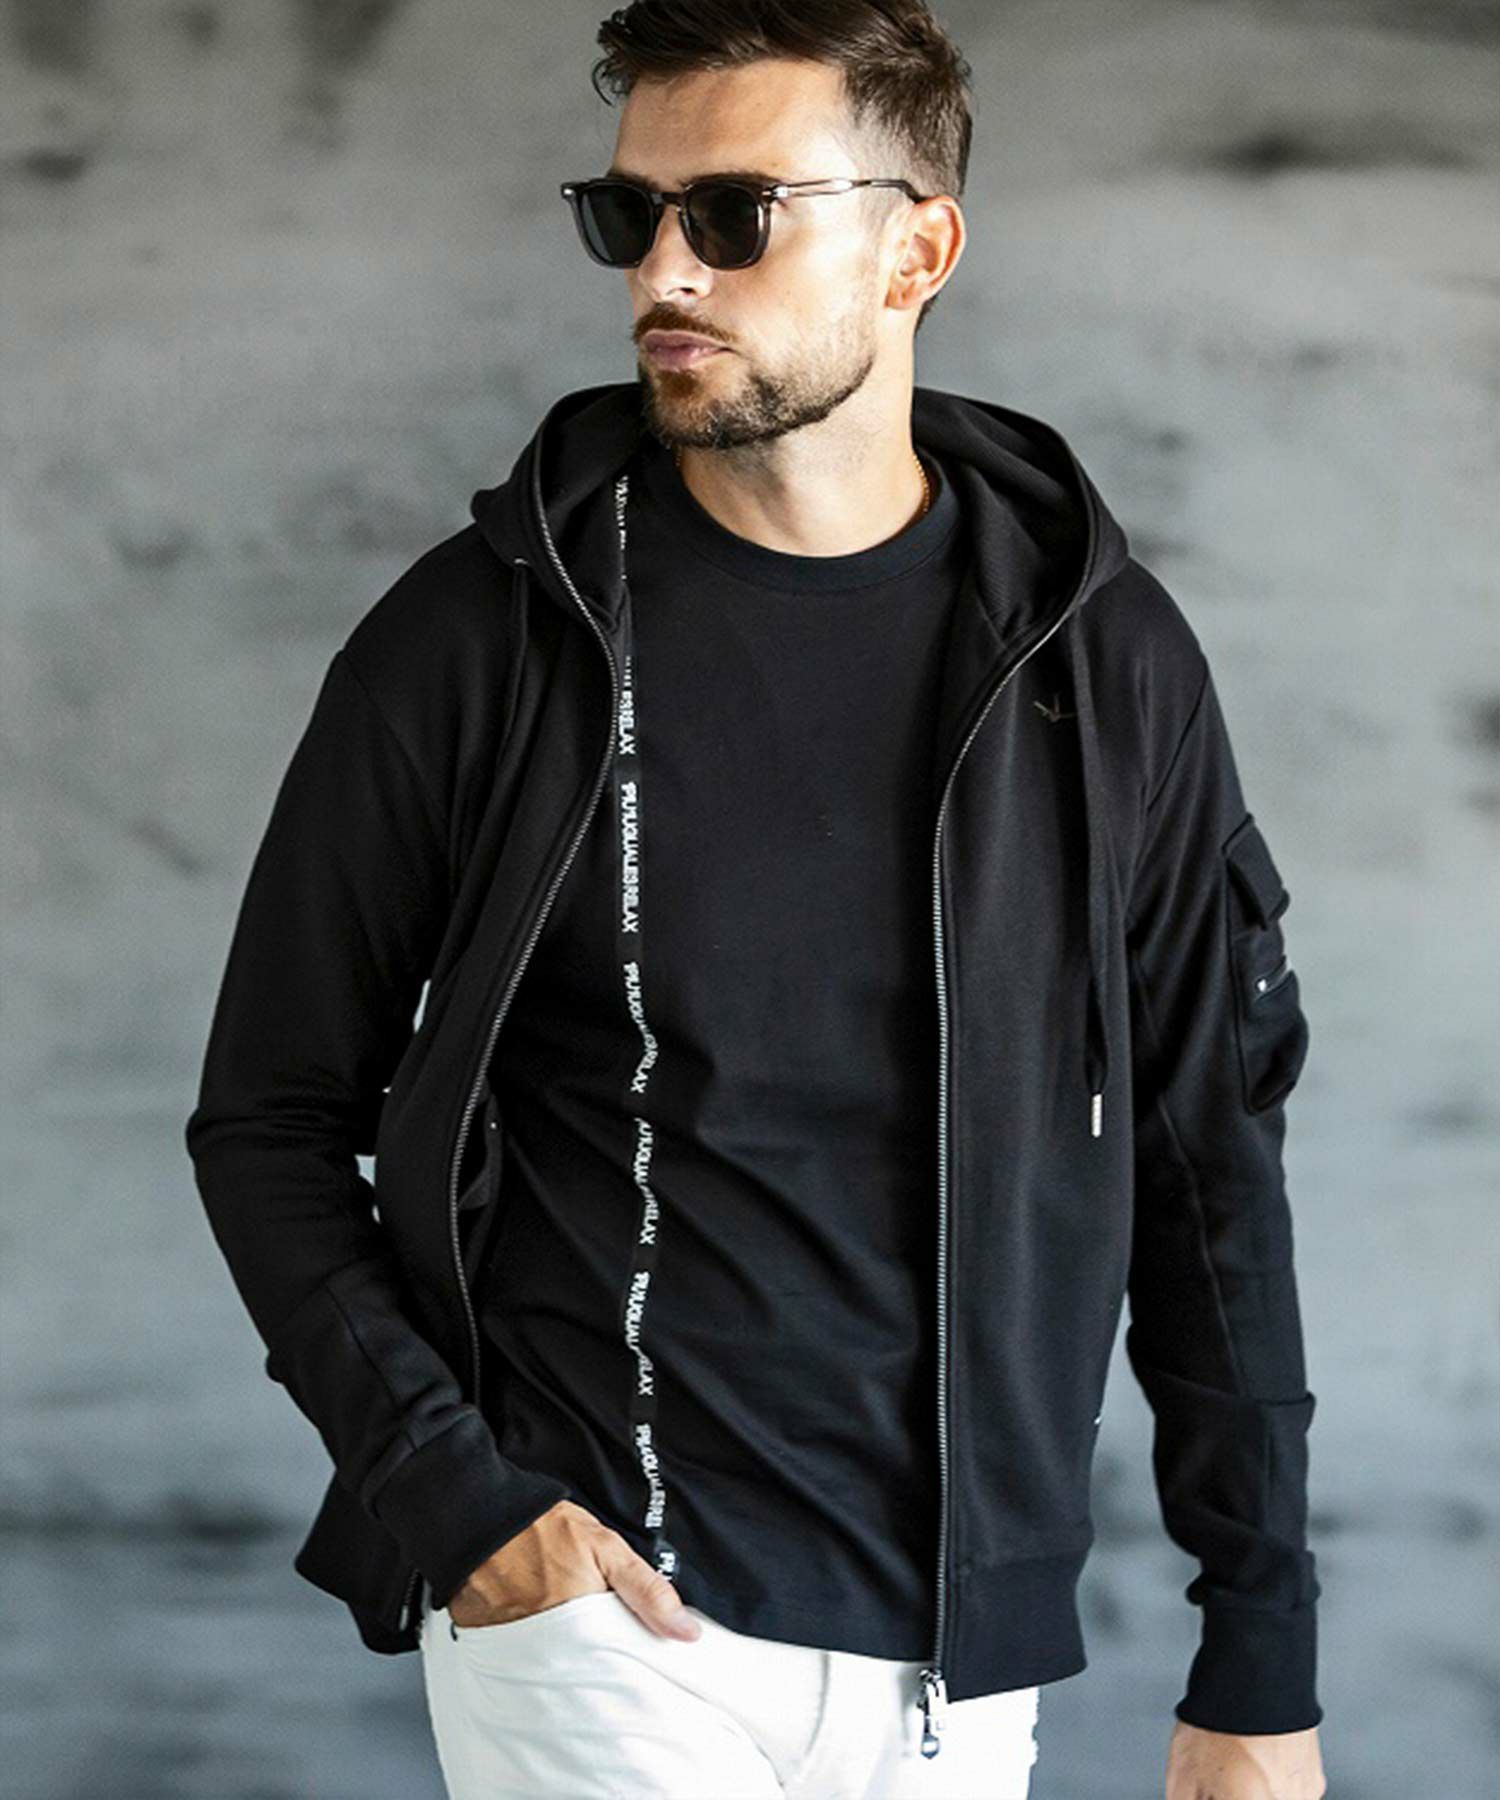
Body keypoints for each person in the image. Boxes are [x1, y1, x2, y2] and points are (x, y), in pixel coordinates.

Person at [183, 3, 1330, 1796]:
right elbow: (267, 1113)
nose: (664, 269)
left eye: (733, 215)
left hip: (957, 1653)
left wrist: (1260, 1670)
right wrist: (459, 1501)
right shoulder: (487, 637)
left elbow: (1208, 1172)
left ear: (915, 251)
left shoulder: (1100, 666)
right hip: (603, 1617)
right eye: (627, 214)